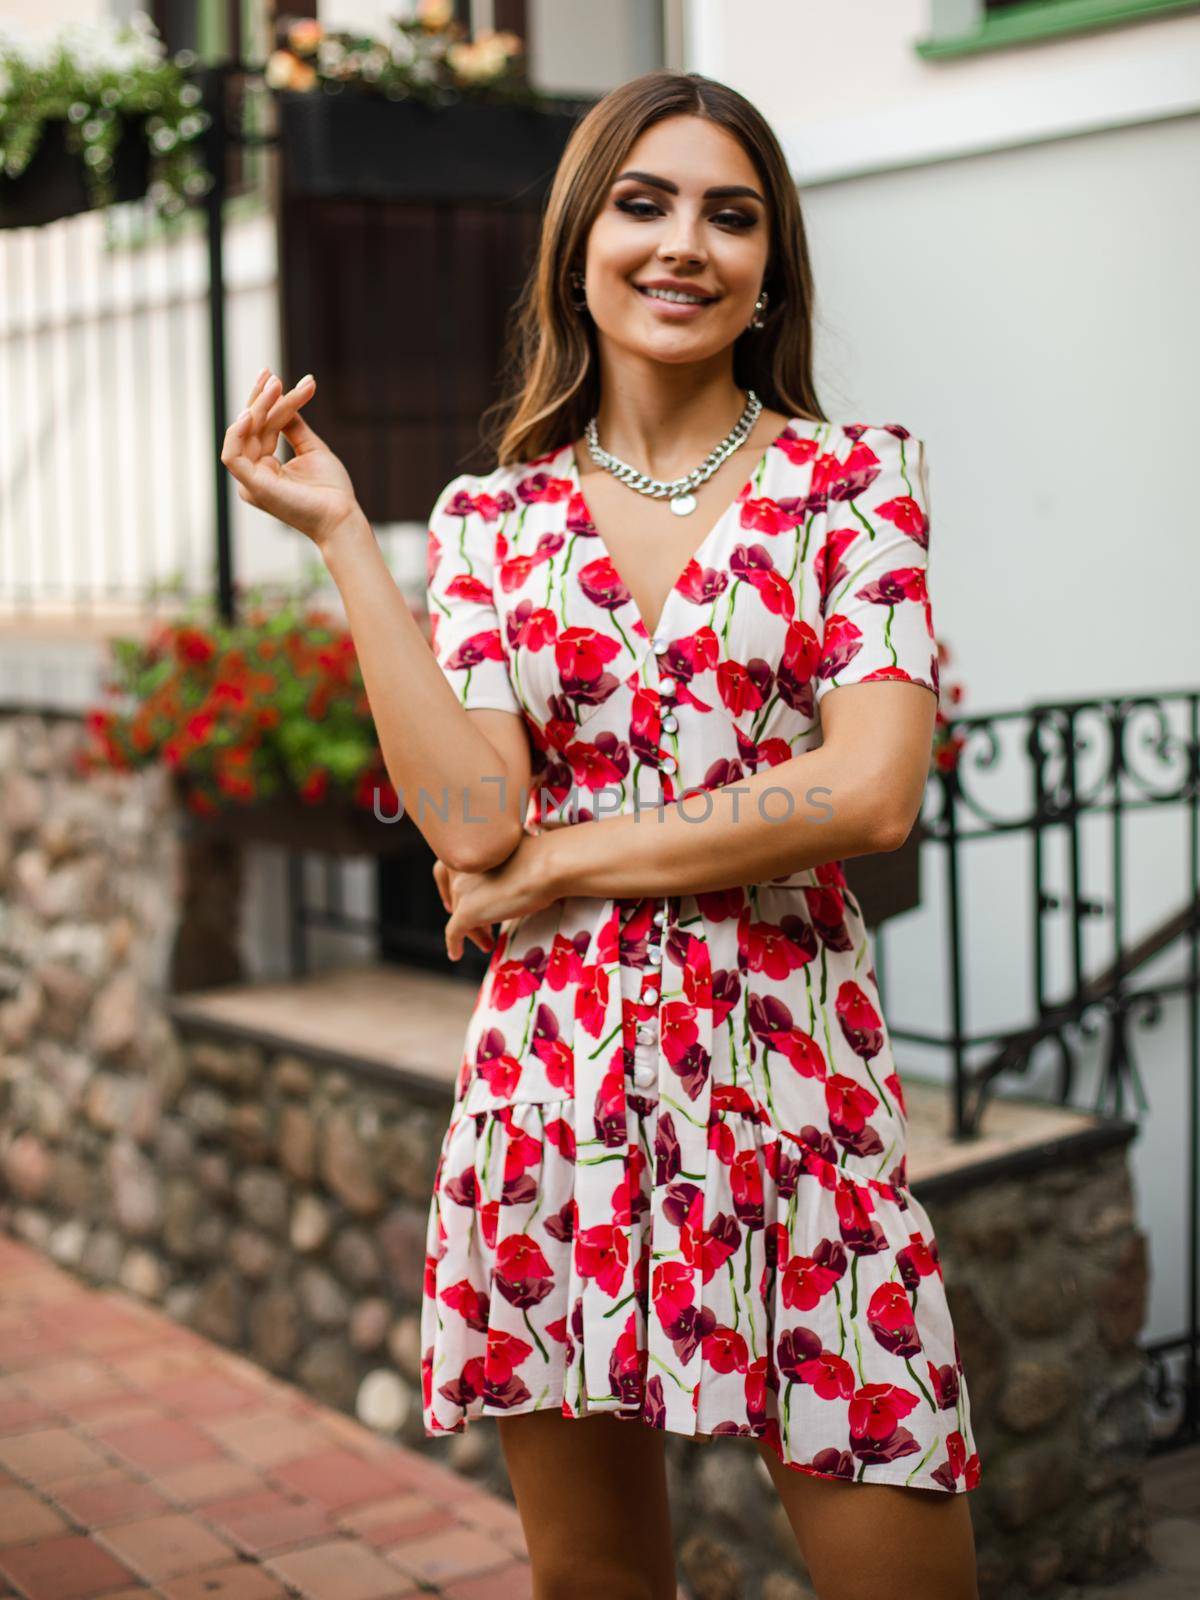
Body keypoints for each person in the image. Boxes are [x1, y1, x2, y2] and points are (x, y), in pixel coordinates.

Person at [221, 66, 980, 1600]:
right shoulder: (497, 523)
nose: (683, 243)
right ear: (580, 239)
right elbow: (469, 816)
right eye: (643, 204)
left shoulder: (852, 489)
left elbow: (869, 791)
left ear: (771, 268)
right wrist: (351, 546)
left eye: (730, 214)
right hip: (551, 1104)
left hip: (797, 1105)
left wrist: (565, 861)